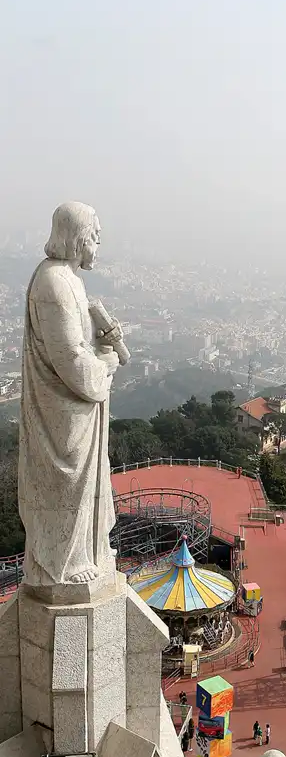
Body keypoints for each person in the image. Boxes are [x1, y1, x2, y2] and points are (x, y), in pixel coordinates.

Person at [19, 202, 126, 588]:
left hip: (75, 413)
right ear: (79, 237)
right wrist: (106, 364)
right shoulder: (54, 282)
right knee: (65, 486)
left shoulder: (68, 279)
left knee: (83, 488)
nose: (99, 241)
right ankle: (62, 563)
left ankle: (87, 550)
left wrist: (101, 345)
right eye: (96, 234)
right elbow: (70, 362)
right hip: (62, 415)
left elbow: (77, 346)